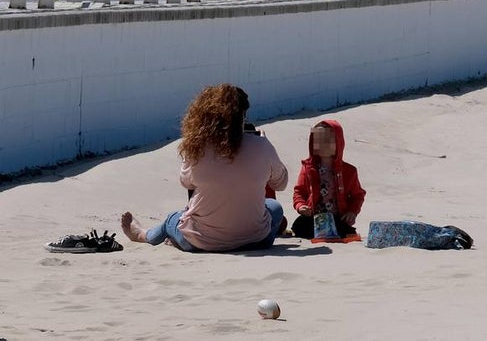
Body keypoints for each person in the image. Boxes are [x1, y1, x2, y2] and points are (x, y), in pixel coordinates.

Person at [120, 83, 288, 252]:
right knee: (274, 207)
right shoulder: (261, 146)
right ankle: (155, 235)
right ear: (242, 116)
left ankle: (142, 234)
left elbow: (186, 182)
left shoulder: (198, 148)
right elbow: (280, 183)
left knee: (172, 219)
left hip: (200, 242)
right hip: (255, 240)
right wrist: (264, 149)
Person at [291, 120, 366, 240]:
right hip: (314, 218)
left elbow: (358, 195)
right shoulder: (308, 168)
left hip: (337, 217)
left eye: (327, 141)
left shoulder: (349, 171)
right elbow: (299, 192)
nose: (322, 145)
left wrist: (352, 212)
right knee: (299, 227)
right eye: (318, 141)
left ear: (338, 142)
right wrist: (301, 206)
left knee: (345, 231)